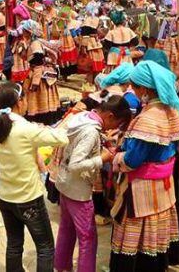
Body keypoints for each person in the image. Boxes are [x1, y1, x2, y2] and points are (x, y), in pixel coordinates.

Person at [110, 60, 179, 272]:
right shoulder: (172, 111)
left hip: (141, 187)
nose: (134, 90)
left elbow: (133, 160)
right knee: (155, 231)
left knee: (136, 233)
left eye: (136, 86)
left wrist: (117, 158)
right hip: (163, 185)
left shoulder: (149, 119)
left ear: (145, 88)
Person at [0, 82, 69, 272]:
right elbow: (63, 138)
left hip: (5, 197)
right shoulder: (26, 129)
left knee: (14, 245)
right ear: (20, 101)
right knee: (45, 247)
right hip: (28, 200)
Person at [54, 94, 132, 272]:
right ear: (110, 116)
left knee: (66, 229)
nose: (114, 128)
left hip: (64, 183)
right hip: (78, 191)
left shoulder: (83, 117)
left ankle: (61, 266)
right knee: (88, 238)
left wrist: (103, 140)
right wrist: (101, 158)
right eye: (116, 124)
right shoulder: (91, 131)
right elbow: (76, 164)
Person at [24, 21, 61, 125]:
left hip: (40, 75)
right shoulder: (36, 42)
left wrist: (35, 82)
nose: (22, 33)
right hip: (43, 73)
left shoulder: (35, 44)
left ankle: (41, 119)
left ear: (29, 32)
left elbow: (38, 64)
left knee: (39, 98)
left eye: (24, 31)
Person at [102, 8, 138, 74]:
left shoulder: (111, 32)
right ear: (123, 21)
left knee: (114, 73)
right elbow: (136, 42)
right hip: (126, 54)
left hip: (114, 56)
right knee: (127, 72)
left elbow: (106, 45)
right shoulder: (128, 30)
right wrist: (128, 47)